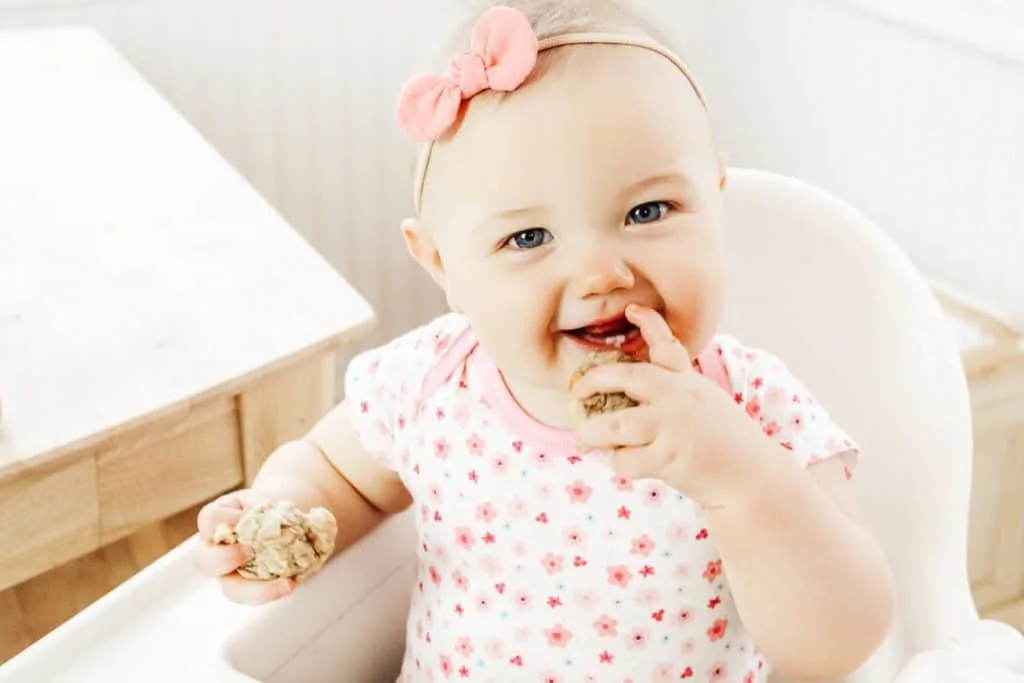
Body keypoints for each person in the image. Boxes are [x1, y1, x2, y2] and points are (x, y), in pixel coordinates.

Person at [195, 2, 896, 680]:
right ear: (442, 265)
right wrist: (278, 516)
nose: (600, 273)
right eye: (528, 236)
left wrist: (739, 477)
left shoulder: (752, 408)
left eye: (648, 210)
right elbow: (336, 471)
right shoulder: (428, 383)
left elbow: (838, 644)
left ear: (716, 200)